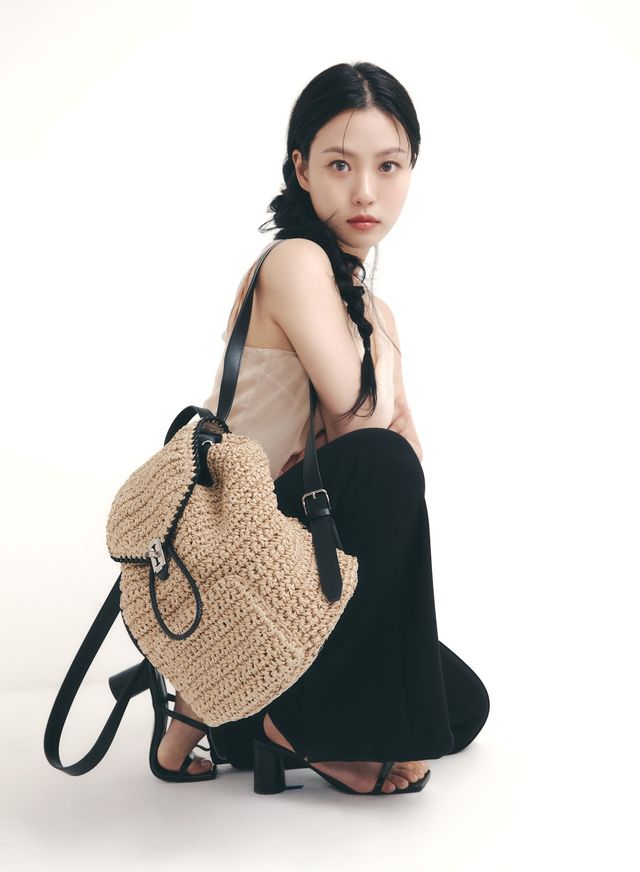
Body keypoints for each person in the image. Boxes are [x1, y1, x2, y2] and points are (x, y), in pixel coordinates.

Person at [155, 61, 490, 795]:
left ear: (411, 171)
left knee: (460, 708)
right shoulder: (298, 261)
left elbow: (405, 444)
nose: (365, 191)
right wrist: (378, 435)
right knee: (379, 463)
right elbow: (363, 422)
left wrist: (382, 426)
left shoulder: (370, 303)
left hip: (306, 535)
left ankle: (251, 715)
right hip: (238, 542)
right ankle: (302, 725)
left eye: (388, 166)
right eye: (340, 165)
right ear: (301, 169)